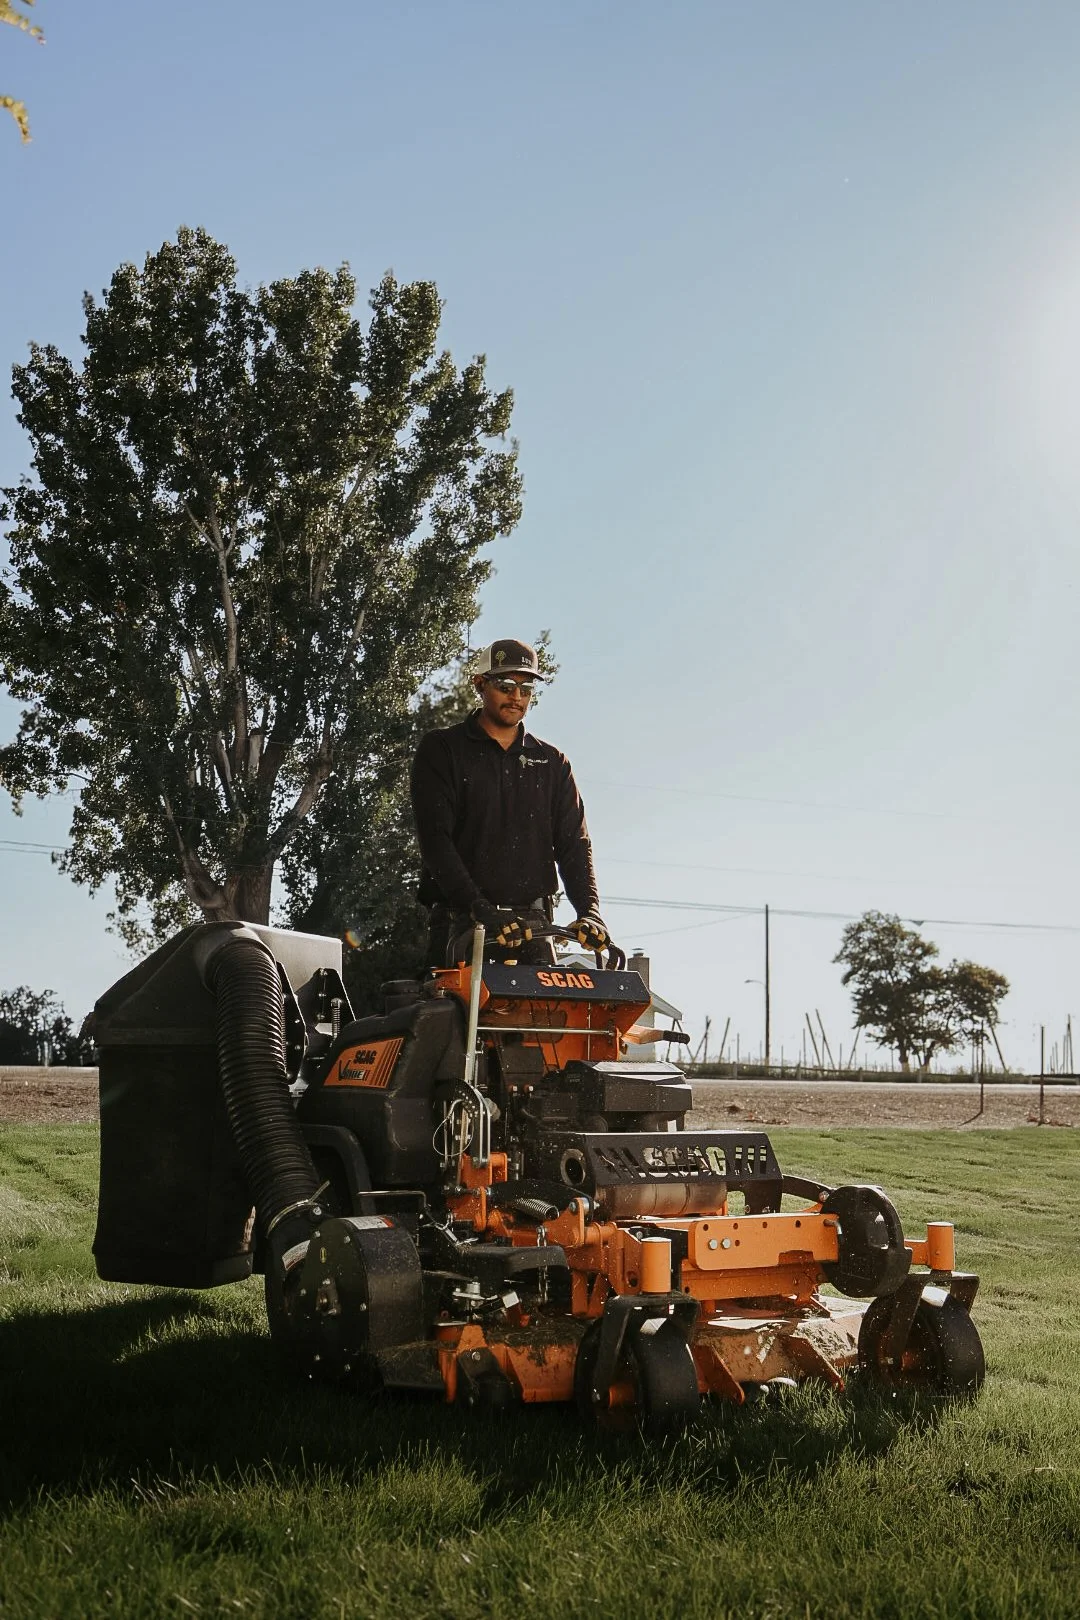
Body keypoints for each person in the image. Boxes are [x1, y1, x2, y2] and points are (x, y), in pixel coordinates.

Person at [410, 638, 610, 965]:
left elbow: (576, 845)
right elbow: (436, 842)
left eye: (526, 688)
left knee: (546, 1014)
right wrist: (482, 910)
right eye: (505, 685)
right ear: (480, 684)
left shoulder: (552, 762)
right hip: (461, 926)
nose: (516, 697)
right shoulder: (443, 750)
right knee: (452, 1016)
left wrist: (590, 912)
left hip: (534, 929)